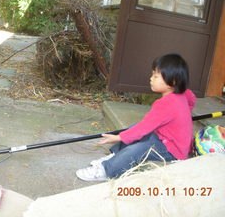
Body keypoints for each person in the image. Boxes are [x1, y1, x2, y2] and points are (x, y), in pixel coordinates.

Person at [76, 53, 196, 181]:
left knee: (138, 149)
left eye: (156, 76)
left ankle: (108, 170)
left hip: (173, 150)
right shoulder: (183, 93)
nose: (151, 78)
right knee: (134, 129)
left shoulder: (166, 104)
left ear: (172, 82)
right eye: (152, 74)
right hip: (166, 138)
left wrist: (118, 137)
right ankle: (116, 156)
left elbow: (144, 128)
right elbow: (192, 100)